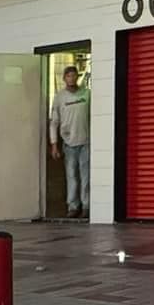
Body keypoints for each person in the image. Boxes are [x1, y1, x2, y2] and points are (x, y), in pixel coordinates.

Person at [49, 62, 91, 219]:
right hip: (68, 143)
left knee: (86, 176)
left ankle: (86, 205)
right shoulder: (60, 98)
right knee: (72, 176)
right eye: (68, 76)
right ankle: (73, 206)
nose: (71, 78)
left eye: (74, 75)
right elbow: (54, 122)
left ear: (77, 77)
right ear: (64, 79)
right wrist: (54, 145)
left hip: (86, 141)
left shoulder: (87, 94)